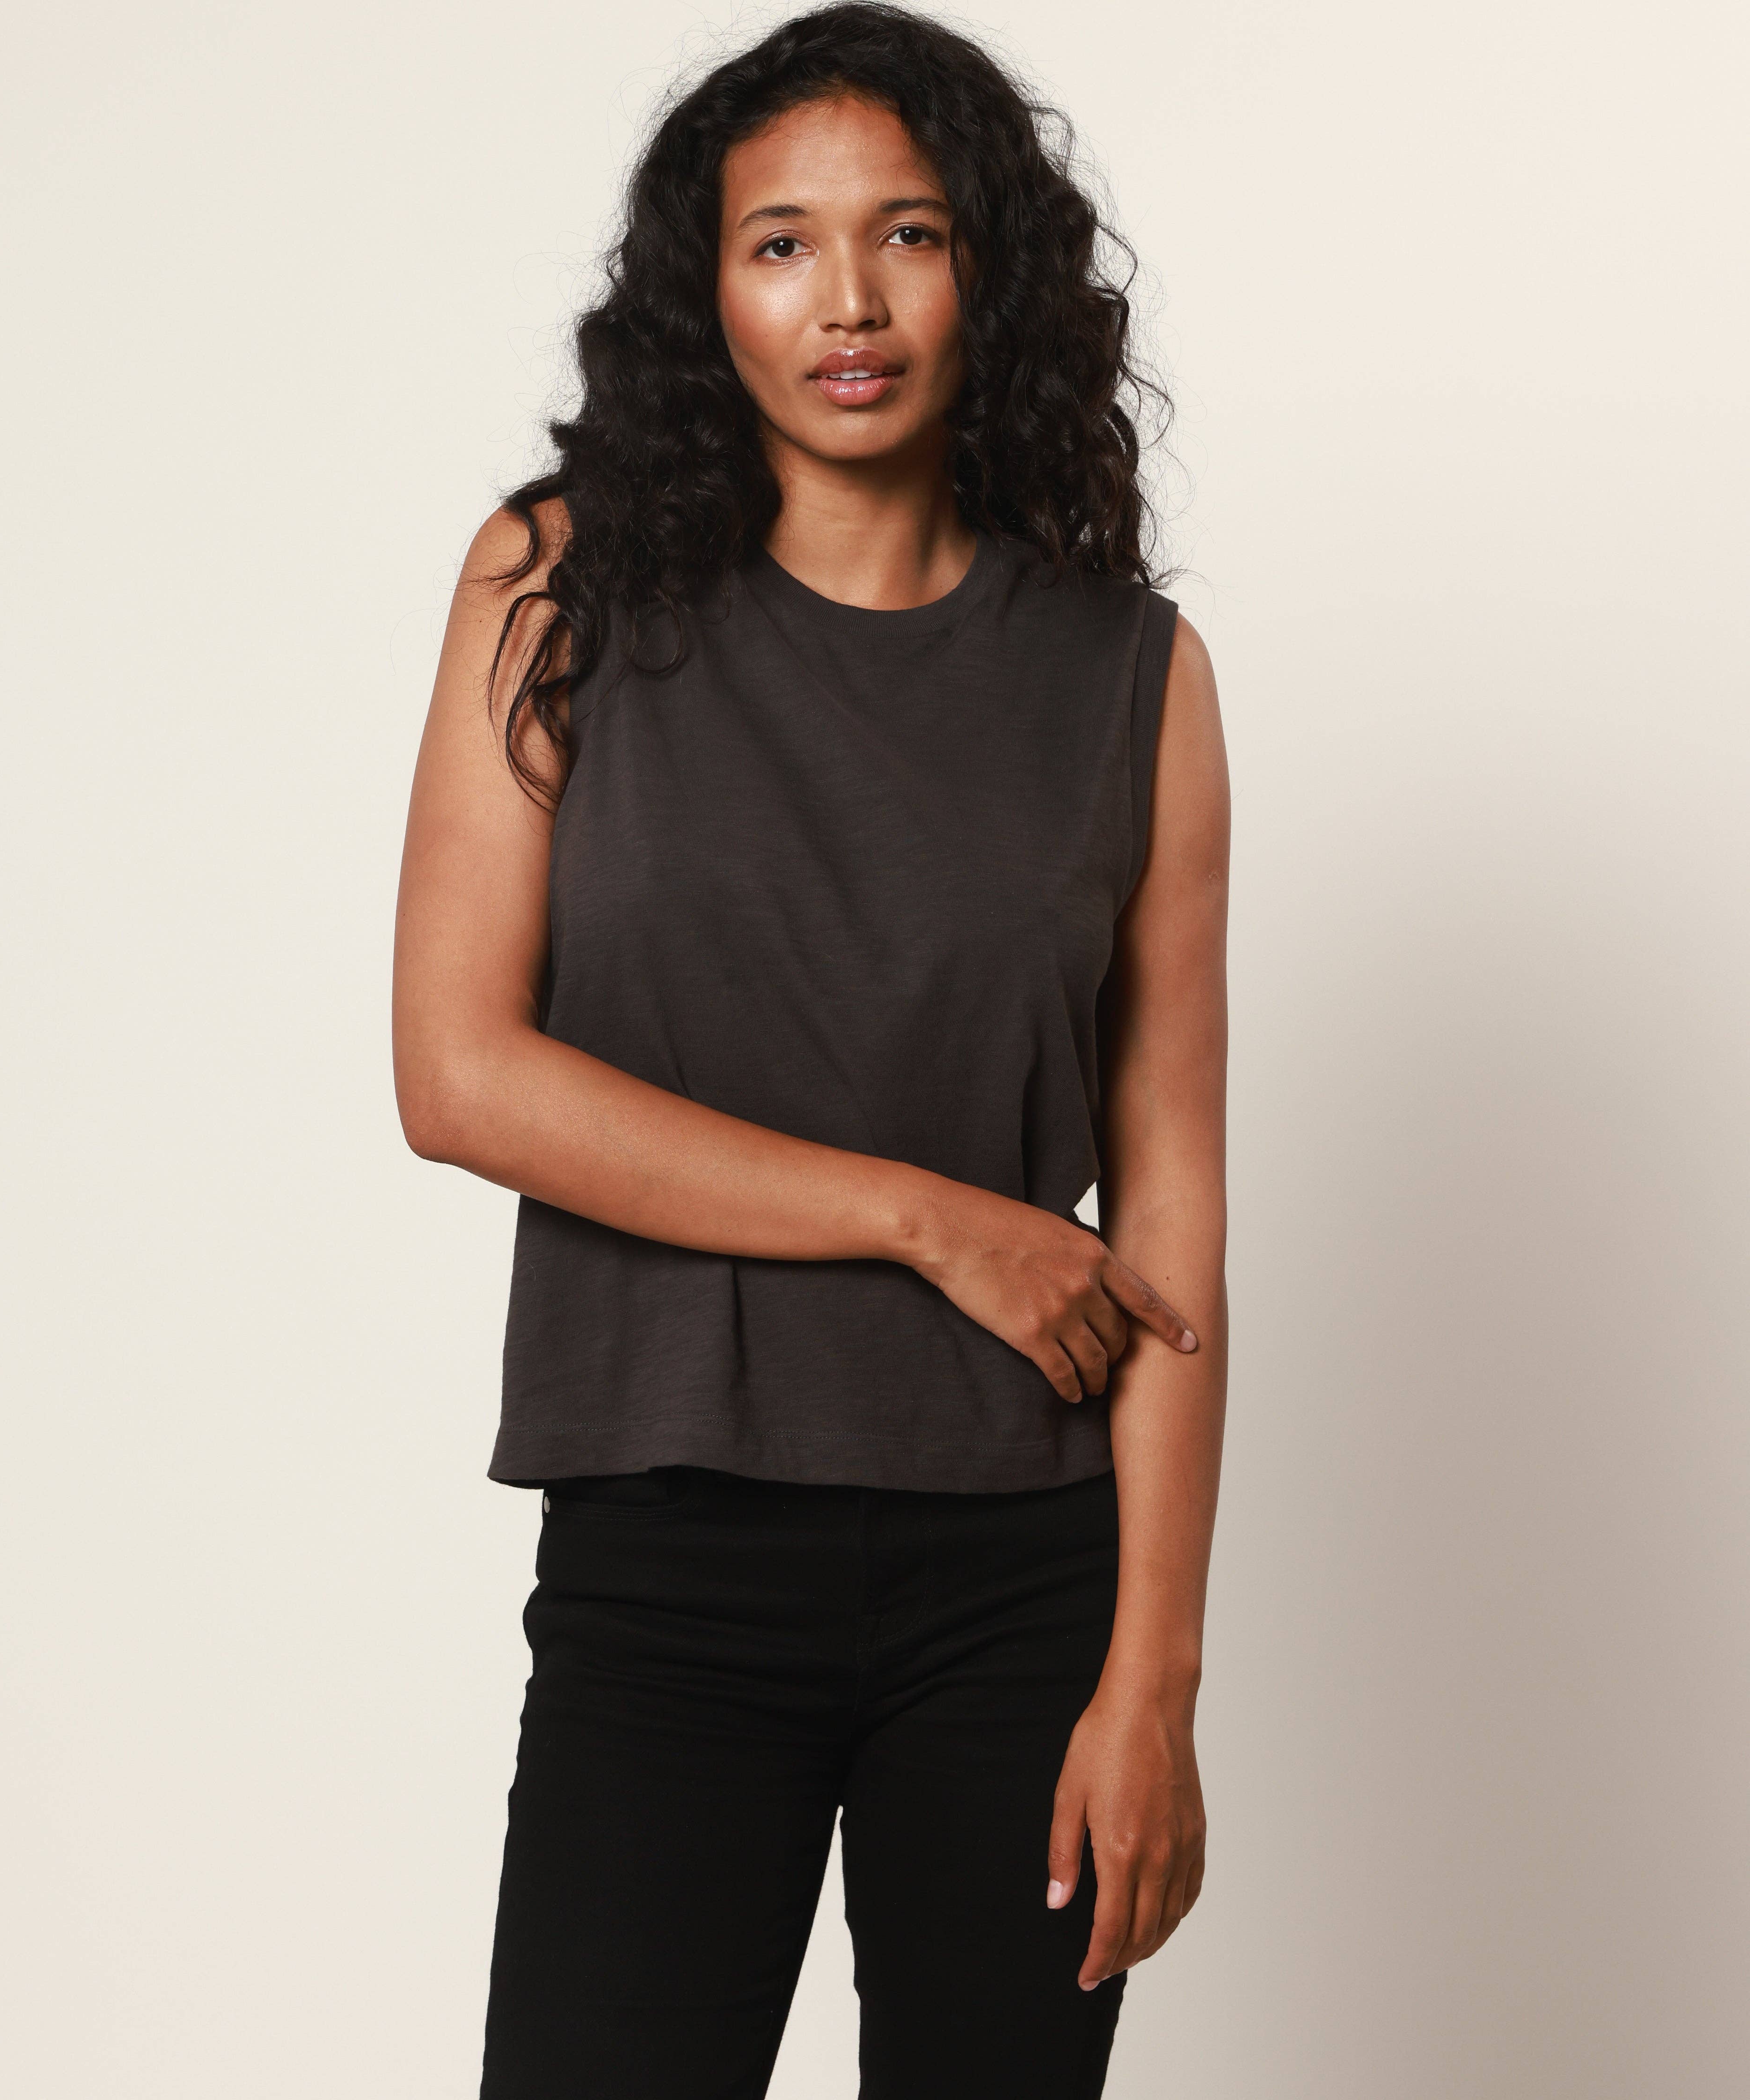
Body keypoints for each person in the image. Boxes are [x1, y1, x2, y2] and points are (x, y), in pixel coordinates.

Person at [391, 6, 1229, 2093]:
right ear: (707, 290)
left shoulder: (1133, 675)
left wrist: (1152, 1680)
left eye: (907, 233)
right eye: (780, 243)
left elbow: (1175, 1213)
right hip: (671, 1542)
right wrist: (935, 1220)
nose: (846, 300)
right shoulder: (559, 589)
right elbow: (458, 1074)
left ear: (989, 272)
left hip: (1022, 1581)